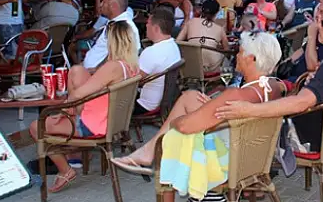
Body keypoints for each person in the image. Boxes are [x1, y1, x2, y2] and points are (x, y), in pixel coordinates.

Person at [111, 32, 285, 172]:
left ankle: (150, 151)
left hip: (231, 160)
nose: (236, 56)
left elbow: (186, 126)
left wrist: (174, 121)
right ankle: (148, 151)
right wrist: (211, 106)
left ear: (251, 58)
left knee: (179, 126)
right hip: (257, 153)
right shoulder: (275, 86)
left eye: (240, 52)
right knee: (191, 97)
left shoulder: (236, 94)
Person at [215, 6, 323, 152]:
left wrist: (248, 109)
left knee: (223, 130)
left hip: (304, 138)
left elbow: (300, 103)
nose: (318, 26)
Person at [29, 21, 140, 193]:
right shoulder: (131, 66)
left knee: (36, 127)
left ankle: (65, 170)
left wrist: (64, 109)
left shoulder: (112, 67)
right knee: (77, 71)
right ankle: (71, 146)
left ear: (113, 41)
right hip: (110, 122)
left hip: (92, 126)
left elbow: (79, 94)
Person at [133, 7, 182, 115]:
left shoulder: (151, 52)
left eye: (148, 23)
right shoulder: (174, 46)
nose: (146, 26)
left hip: (145, 104)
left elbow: (131, 83)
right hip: (163, 101)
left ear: (155, 28)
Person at [83, 0, 140, 71]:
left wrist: (96, 70)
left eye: (104, 2)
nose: (100, 5)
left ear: (113, 6)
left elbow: (117, 57)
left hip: (100, 76)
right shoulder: (113, 22)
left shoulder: (123, 27)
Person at [177, 0, 229, 74]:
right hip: (212, 67)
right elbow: (227, 50)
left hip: (191, 66)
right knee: (228, 61)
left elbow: (178, 42)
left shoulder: (191, 22)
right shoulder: (220, 29)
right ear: (217, 13)